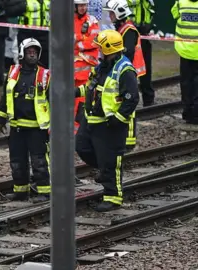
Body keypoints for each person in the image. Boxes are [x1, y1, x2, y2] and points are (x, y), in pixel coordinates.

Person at [75, 29, 139, 212]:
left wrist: (118, 119)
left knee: (110, 160)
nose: (98, 52)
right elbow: (90, 87)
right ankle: (103, 170)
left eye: (101, 48)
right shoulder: (101, 66)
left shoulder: (125, 70)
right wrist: (74, 92)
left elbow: (132, 98)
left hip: (110, 125)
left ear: (110, 49)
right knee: (82, 147)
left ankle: (113, 197)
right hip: (93, 120)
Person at [0, 38, 51, 202]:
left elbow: (54, 100)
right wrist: (1, 116)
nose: (32, 55)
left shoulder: (44, 75)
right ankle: (21, 191)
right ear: (22, 53)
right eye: (29, 52)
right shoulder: (13, 72)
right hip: (17, 127)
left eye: (35, 52)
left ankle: (44, 192)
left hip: (37, 128)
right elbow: (5, 96)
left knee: (39, 161)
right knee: (17, 161)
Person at [103, 0, 146, 150]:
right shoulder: (121, 28)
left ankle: (129, 141)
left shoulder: (128, 30)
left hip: (128, 72)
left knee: (129, 106)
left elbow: (127, 52)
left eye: (112, 13)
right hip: (124, 71)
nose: (110, 16)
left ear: (119, 13)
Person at [73, 0, 100, 135]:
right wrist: (82, 38)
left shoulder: (92, 20)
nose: (83, 8)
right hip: (71, 72)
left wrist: (77, 43)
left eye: (85, 5)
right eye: (80, 5)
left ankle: (80, 132)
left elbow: (94, 41)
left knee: (83, 103)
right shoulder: (68, 20)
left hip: (85, 73)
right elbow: (64, 40)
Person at [171, 0, 198, 126]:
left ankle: (187, 113)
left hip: (185, 49)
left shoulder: (181, 1)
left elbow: (174, 14)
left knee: (186, 82)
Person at [128, 0, 156, 107]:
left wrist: (149, 26)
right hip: (129, 32)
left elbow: (150, 12)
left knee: (146, 68)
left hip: (145, 33)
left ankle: (148, 100)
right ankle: (129, 98)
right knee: (129, 66)